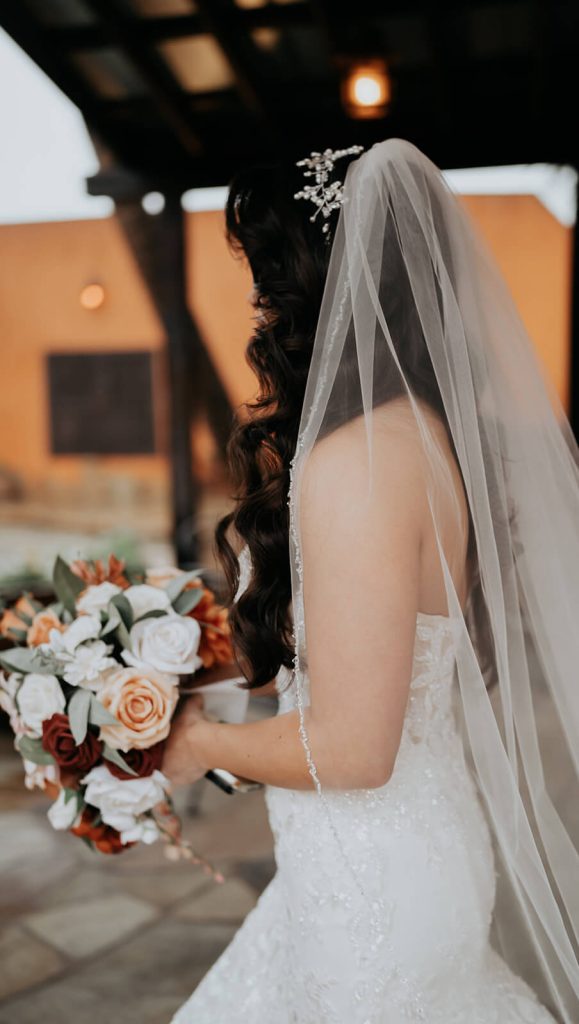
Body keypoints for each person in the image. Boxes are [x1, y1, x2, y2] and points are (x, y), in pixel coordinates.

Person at [164, 139, 579, 1022]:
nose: (257, 304)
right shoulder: (426, 431)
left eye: (266, 275)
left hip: (373, 902)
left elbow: (352, 747)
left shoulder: (351, 462)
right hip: (403, 861)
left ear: (316, 286)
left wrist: (196, 744)